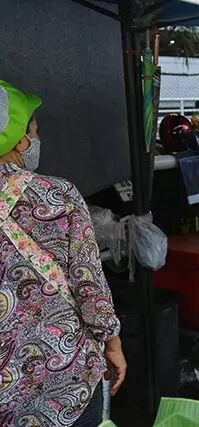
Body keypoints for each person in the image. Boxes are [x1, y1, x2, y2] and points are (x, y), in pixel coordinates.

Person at [0, 80, 126, 426]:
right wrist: (112, 343)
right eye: (35, 131)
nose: (36, 139)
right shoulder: (57, 195)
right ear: (20, 141)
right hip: (66, 381)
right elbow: (89, 283)